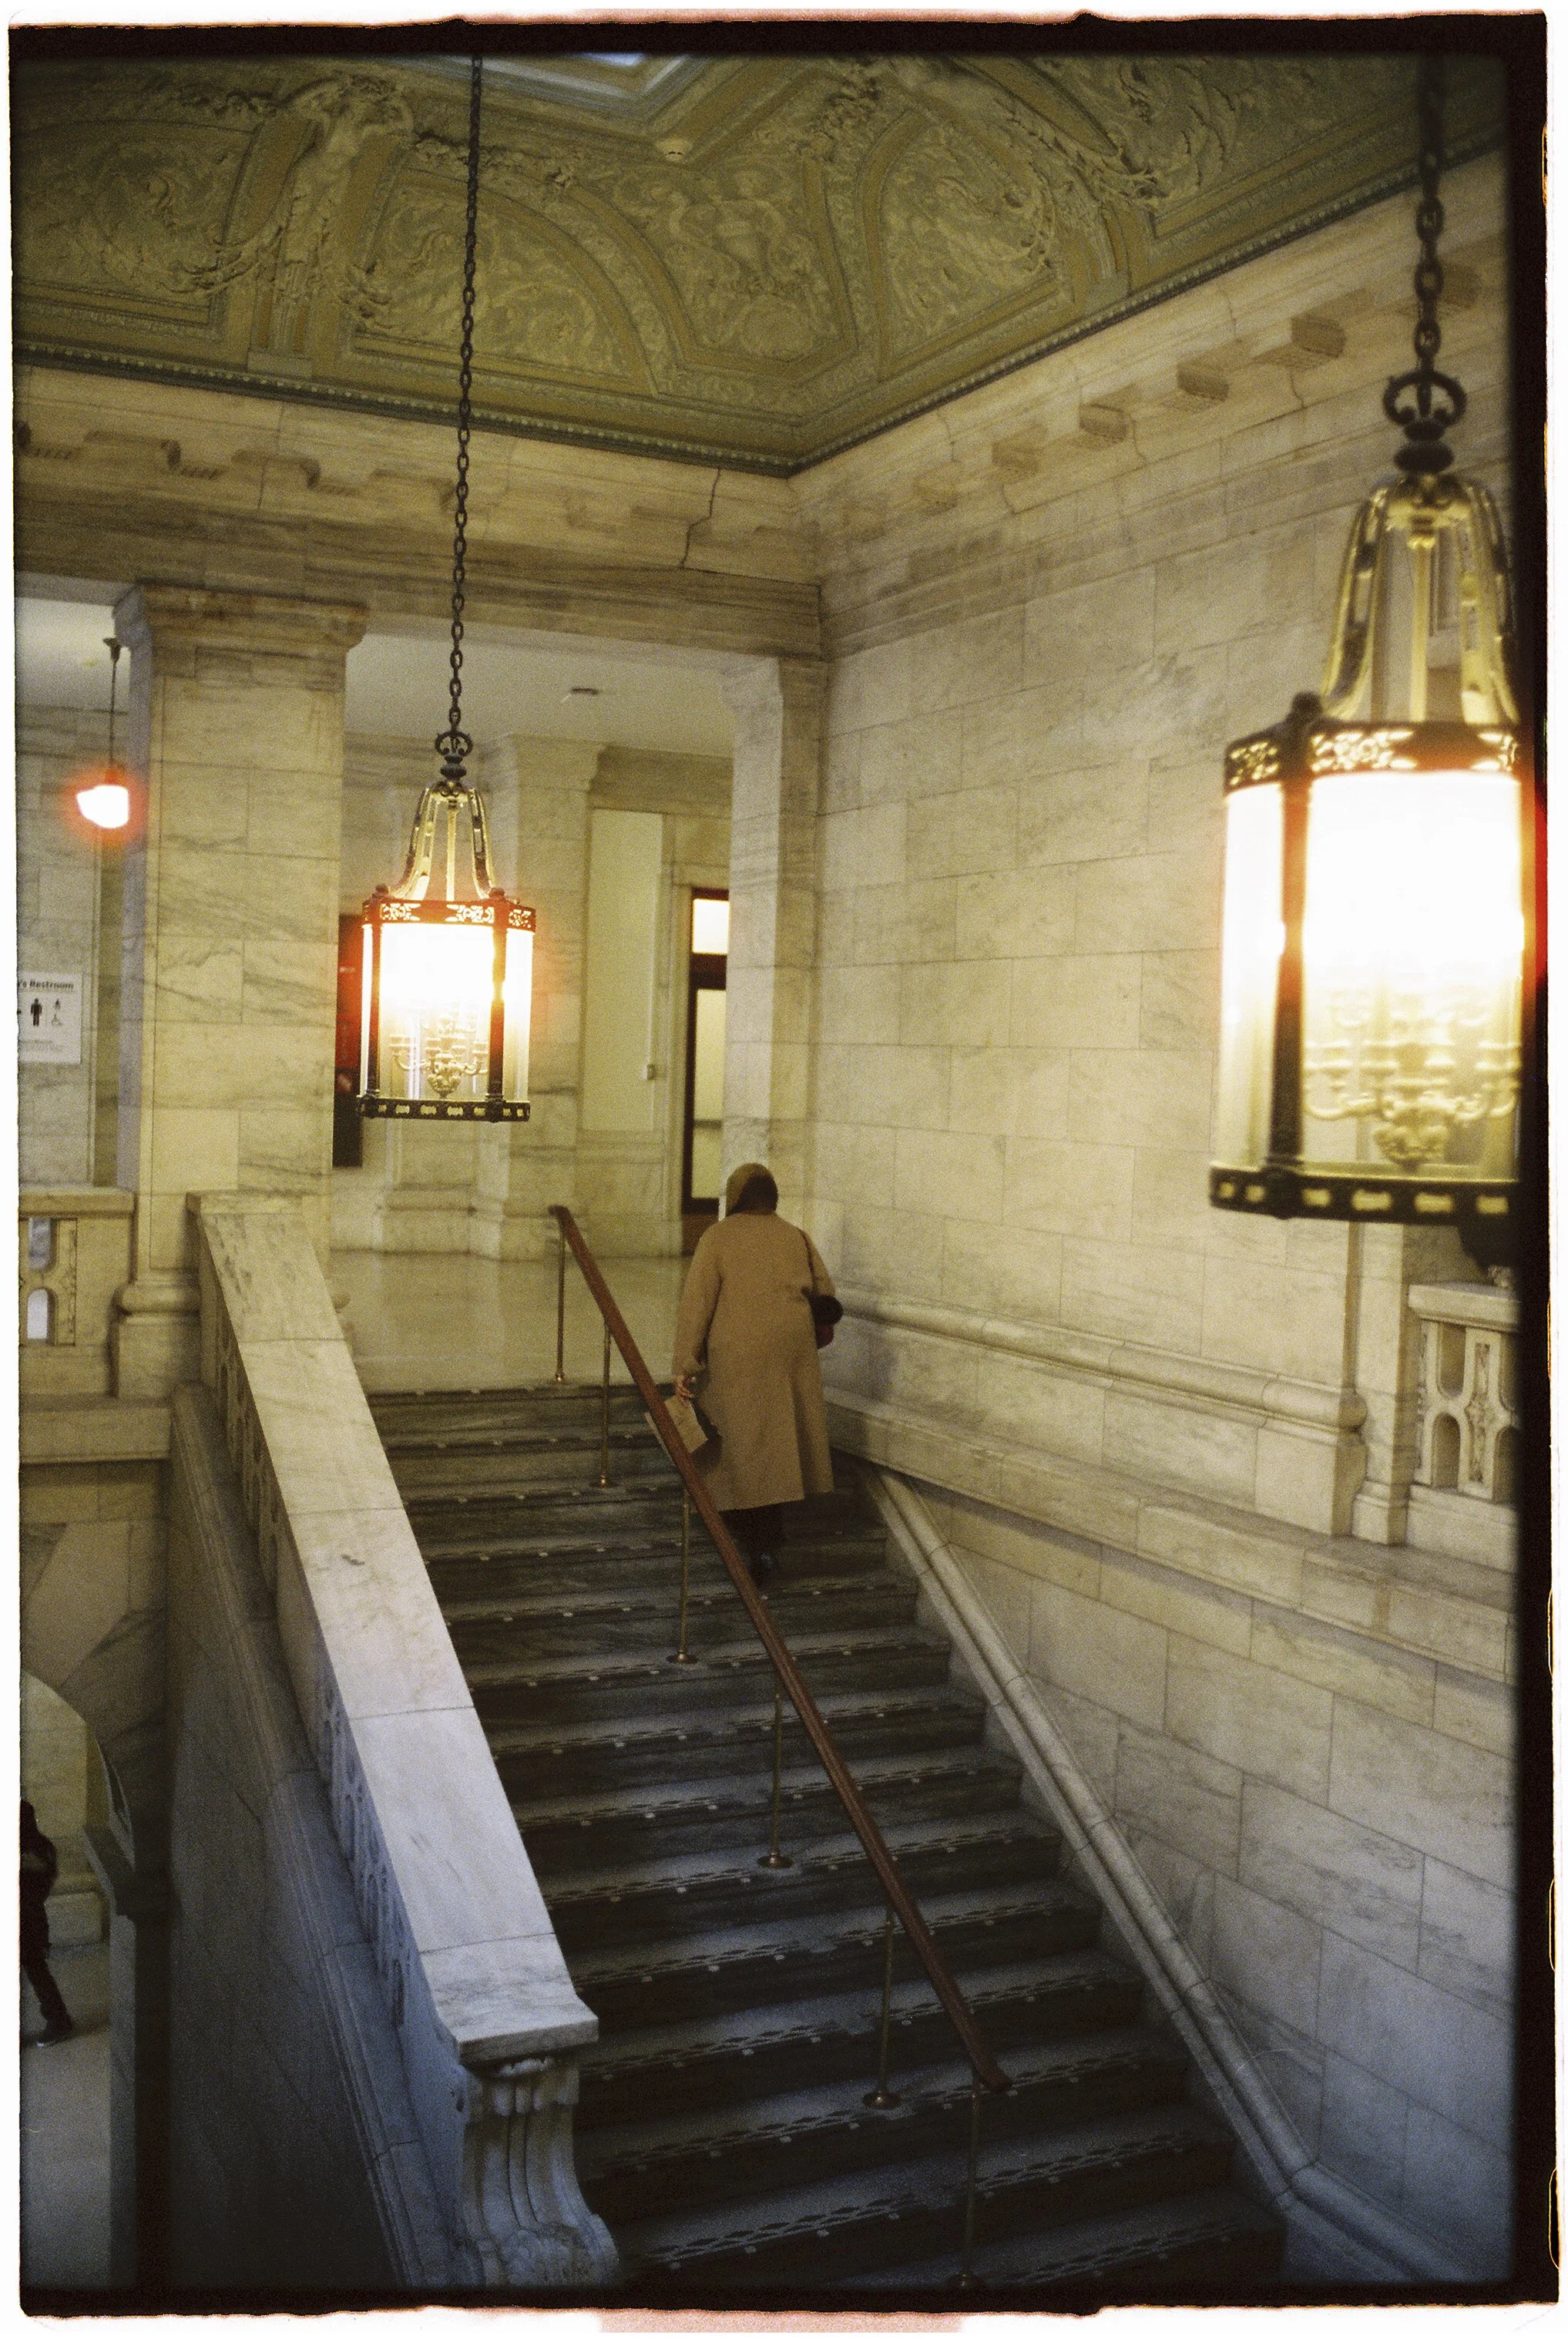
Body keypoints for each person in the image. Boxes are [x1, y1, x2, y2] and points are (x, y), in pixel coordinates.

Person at [672, 1161, 836, 1588]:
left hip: (737, 1355)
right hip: (789, 1352)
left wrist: (685, 1365)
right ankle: (768, 1541)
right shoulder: (794, 1236)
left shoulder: (718, 1238)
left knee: (740, 1444)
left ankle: (746, 1541)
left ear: (736, 1196)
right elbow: (826, 1294)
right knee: (776, 1441)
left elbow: (698, 1304)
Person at [20, 1800, 74, 2044]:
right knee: (37, 1972)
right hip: (29, 1922)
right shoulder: (41, 1848)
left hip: (27, 1923)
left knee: (37, 1972)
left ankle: (58, 2020)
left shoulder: (33, 1853)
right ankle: (58, 2020)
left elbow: (37, 1890)